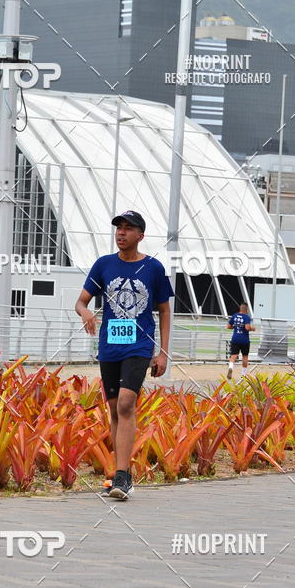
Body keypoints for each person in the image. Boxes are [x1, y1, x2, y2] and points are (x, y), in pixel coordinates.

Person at [75, 210, 173, 500]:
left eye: (129, 229)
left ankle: (121, 475)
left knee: (127, 404)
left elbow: (165, 310)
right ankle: (122, 475)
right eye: (119, 228)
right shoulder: (103, 265)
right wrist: (86, 313)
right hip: (110, 346)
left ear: (140, 236)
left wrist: (163, 352)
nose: (121, 233)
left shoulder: (153, 268)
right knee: (116, 407)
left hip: (139, 346)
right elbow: (80, 302)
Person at [226, 303, 255, 379]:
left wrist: (236, 326)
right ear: (246, 309)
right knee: (245, 356)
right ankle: (243, 374)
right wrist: (253, 329)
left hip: (235, 338)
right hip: (244, 340)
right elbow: (247, 327)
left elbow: (228, 326)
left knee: (233, 356)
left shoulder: (234, 316)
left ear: (240, 308)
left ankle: (231, 367)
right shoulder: (246, 317)